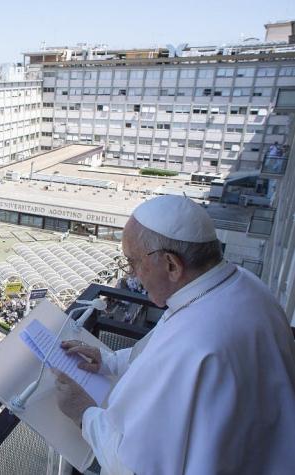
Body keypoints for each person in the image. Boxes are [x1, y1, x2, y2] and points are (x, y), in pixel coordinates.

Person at [54, 195, 295, 474]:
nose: (132, 275)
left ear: (171, 265)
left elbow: (134, 466)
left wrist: (83, 412)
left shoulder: (193, 342)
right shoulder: (244, 285)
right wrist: (108, 362)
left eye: (132, 263)